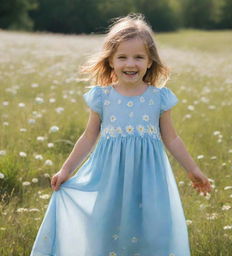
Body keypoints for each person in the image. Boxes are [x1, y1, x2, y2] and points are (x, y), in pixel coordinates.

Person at [30, 13, 211, 256]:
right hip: (107, 176)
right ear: (111, 61)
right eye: (122, 57)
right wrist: (66, 169)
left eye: (139, 57)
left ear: (150, 61)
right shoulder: (102, 97)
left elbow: (172, 138)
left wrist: (193, 169)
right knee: (105, 226)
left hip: (149, 178)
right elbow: (88, 136)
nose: (130, 64)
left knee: (152, 228)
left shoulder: (158, 97)